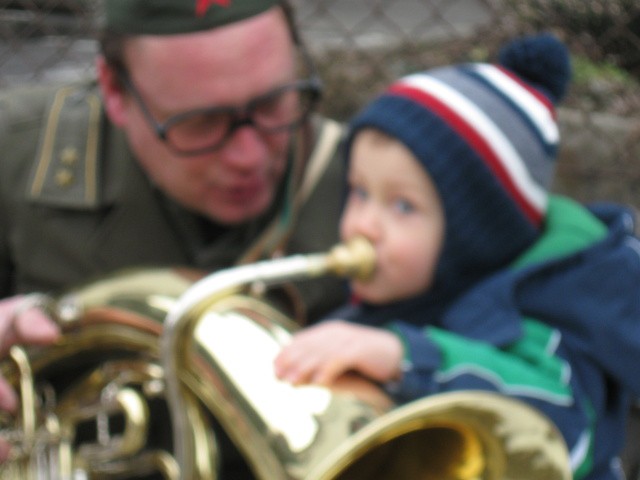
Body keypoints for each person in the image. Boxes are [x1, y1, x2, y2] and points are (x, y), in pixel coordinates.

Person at [274, 33, 640, 480]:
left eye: (402, 206)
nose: (363, 224)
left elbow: (556, 423)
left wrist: (407, 358)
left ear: (474, 238)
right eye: (359, 191)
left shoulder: (535, 319)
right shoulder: (401, 295)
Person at [0, 0, 348, 465]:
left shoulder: (373, 181)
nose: (247, 156)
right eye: (200, 121)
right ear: (115, 91)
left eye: (272, 103)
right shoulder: (16, 155)